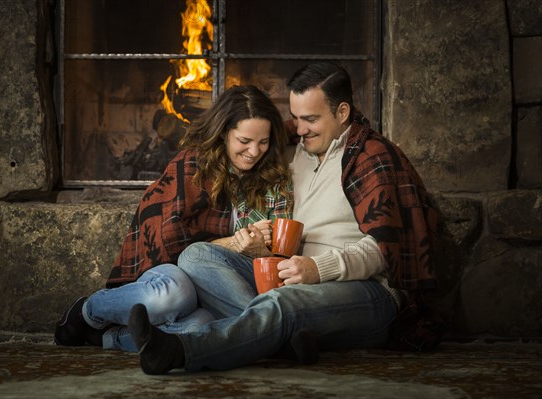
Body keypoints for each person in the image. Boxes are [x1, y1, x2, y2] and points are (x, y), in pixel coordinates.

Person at [128, 62, 443, 374]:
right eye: (295, 118)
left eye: (311, 119)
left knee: (283, 304)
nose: (300, 128)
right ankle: (283, 340)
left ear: (343, 112)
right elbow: (241, 144)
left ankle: (179, 350)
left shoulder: (372, 158)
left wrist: (318, 268)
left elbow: (384, 252)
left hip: (365, 292)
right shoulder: (293, 151)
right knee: (196, 256)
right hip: (291, 275)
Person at [54, 85, 293, 353]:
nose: (254, 151)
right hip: (175, 266)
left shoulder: (273, 178)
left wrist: (258, 249)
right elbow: (169, 239)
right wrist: (230, 243)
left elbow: (280, 256)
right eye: (244, 141)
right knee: (174, 296)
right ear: (224, 132)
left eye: (263, 142)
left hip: (224, 286)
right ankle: (89, 310)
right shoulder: (193, 165)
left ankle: (110, 339)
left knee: (199, 330)